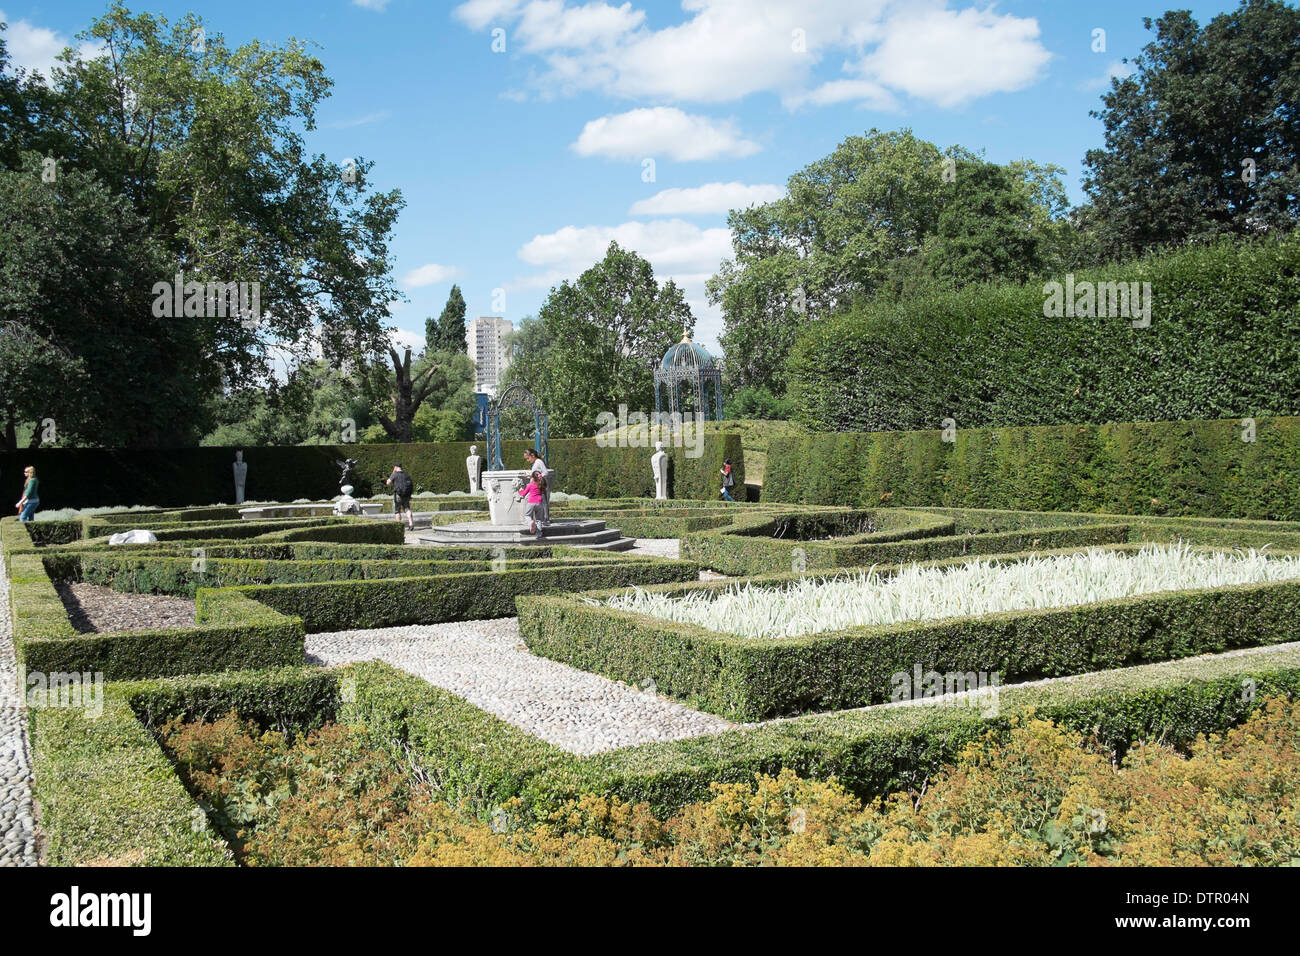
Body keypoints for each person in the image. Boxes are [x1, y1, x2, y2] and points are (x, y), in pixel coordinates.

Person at [385, 463, 415, 530]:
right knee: (407, 508)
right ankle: (411, 524)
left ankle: (399, 527)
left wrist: (393, 472)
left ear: (395, 467)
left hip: (398, 495)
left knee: (397, 511)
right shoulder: (406, 474)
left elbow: (387, 483)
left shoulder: (394, 474)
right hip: (406, 495)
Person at [517, 470, 546, 536]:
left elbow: (523, 494)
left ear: (532, 478)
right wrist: (531, 476)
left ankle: (531, 523)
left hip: (531, 502)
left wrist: (520, 490)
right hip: (539, 503)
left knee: (527, 515)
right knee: (539, 519)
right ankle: (539, 533)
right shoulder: (541, 484)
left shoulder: (530, 485)